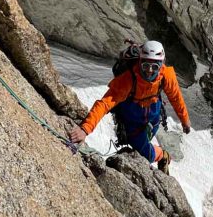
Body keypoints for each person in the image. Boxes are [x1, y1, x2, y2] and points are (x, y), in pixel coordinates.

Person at [69, 39, 191, 172]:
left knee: (143, 148)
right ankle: (161, 155)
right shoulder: (128, 80)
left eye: (155, 67)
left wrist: (185, 120)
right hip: (133, 122)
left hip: (153, 117)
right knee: (145, 153)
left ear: (161, 65)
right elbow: (104, 104)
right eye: (145, 66)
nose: (149, 71)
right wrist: (85, 129)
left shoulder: (166, 75)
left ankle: (157, 153)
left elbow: (176, 98)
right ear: (140, 62)